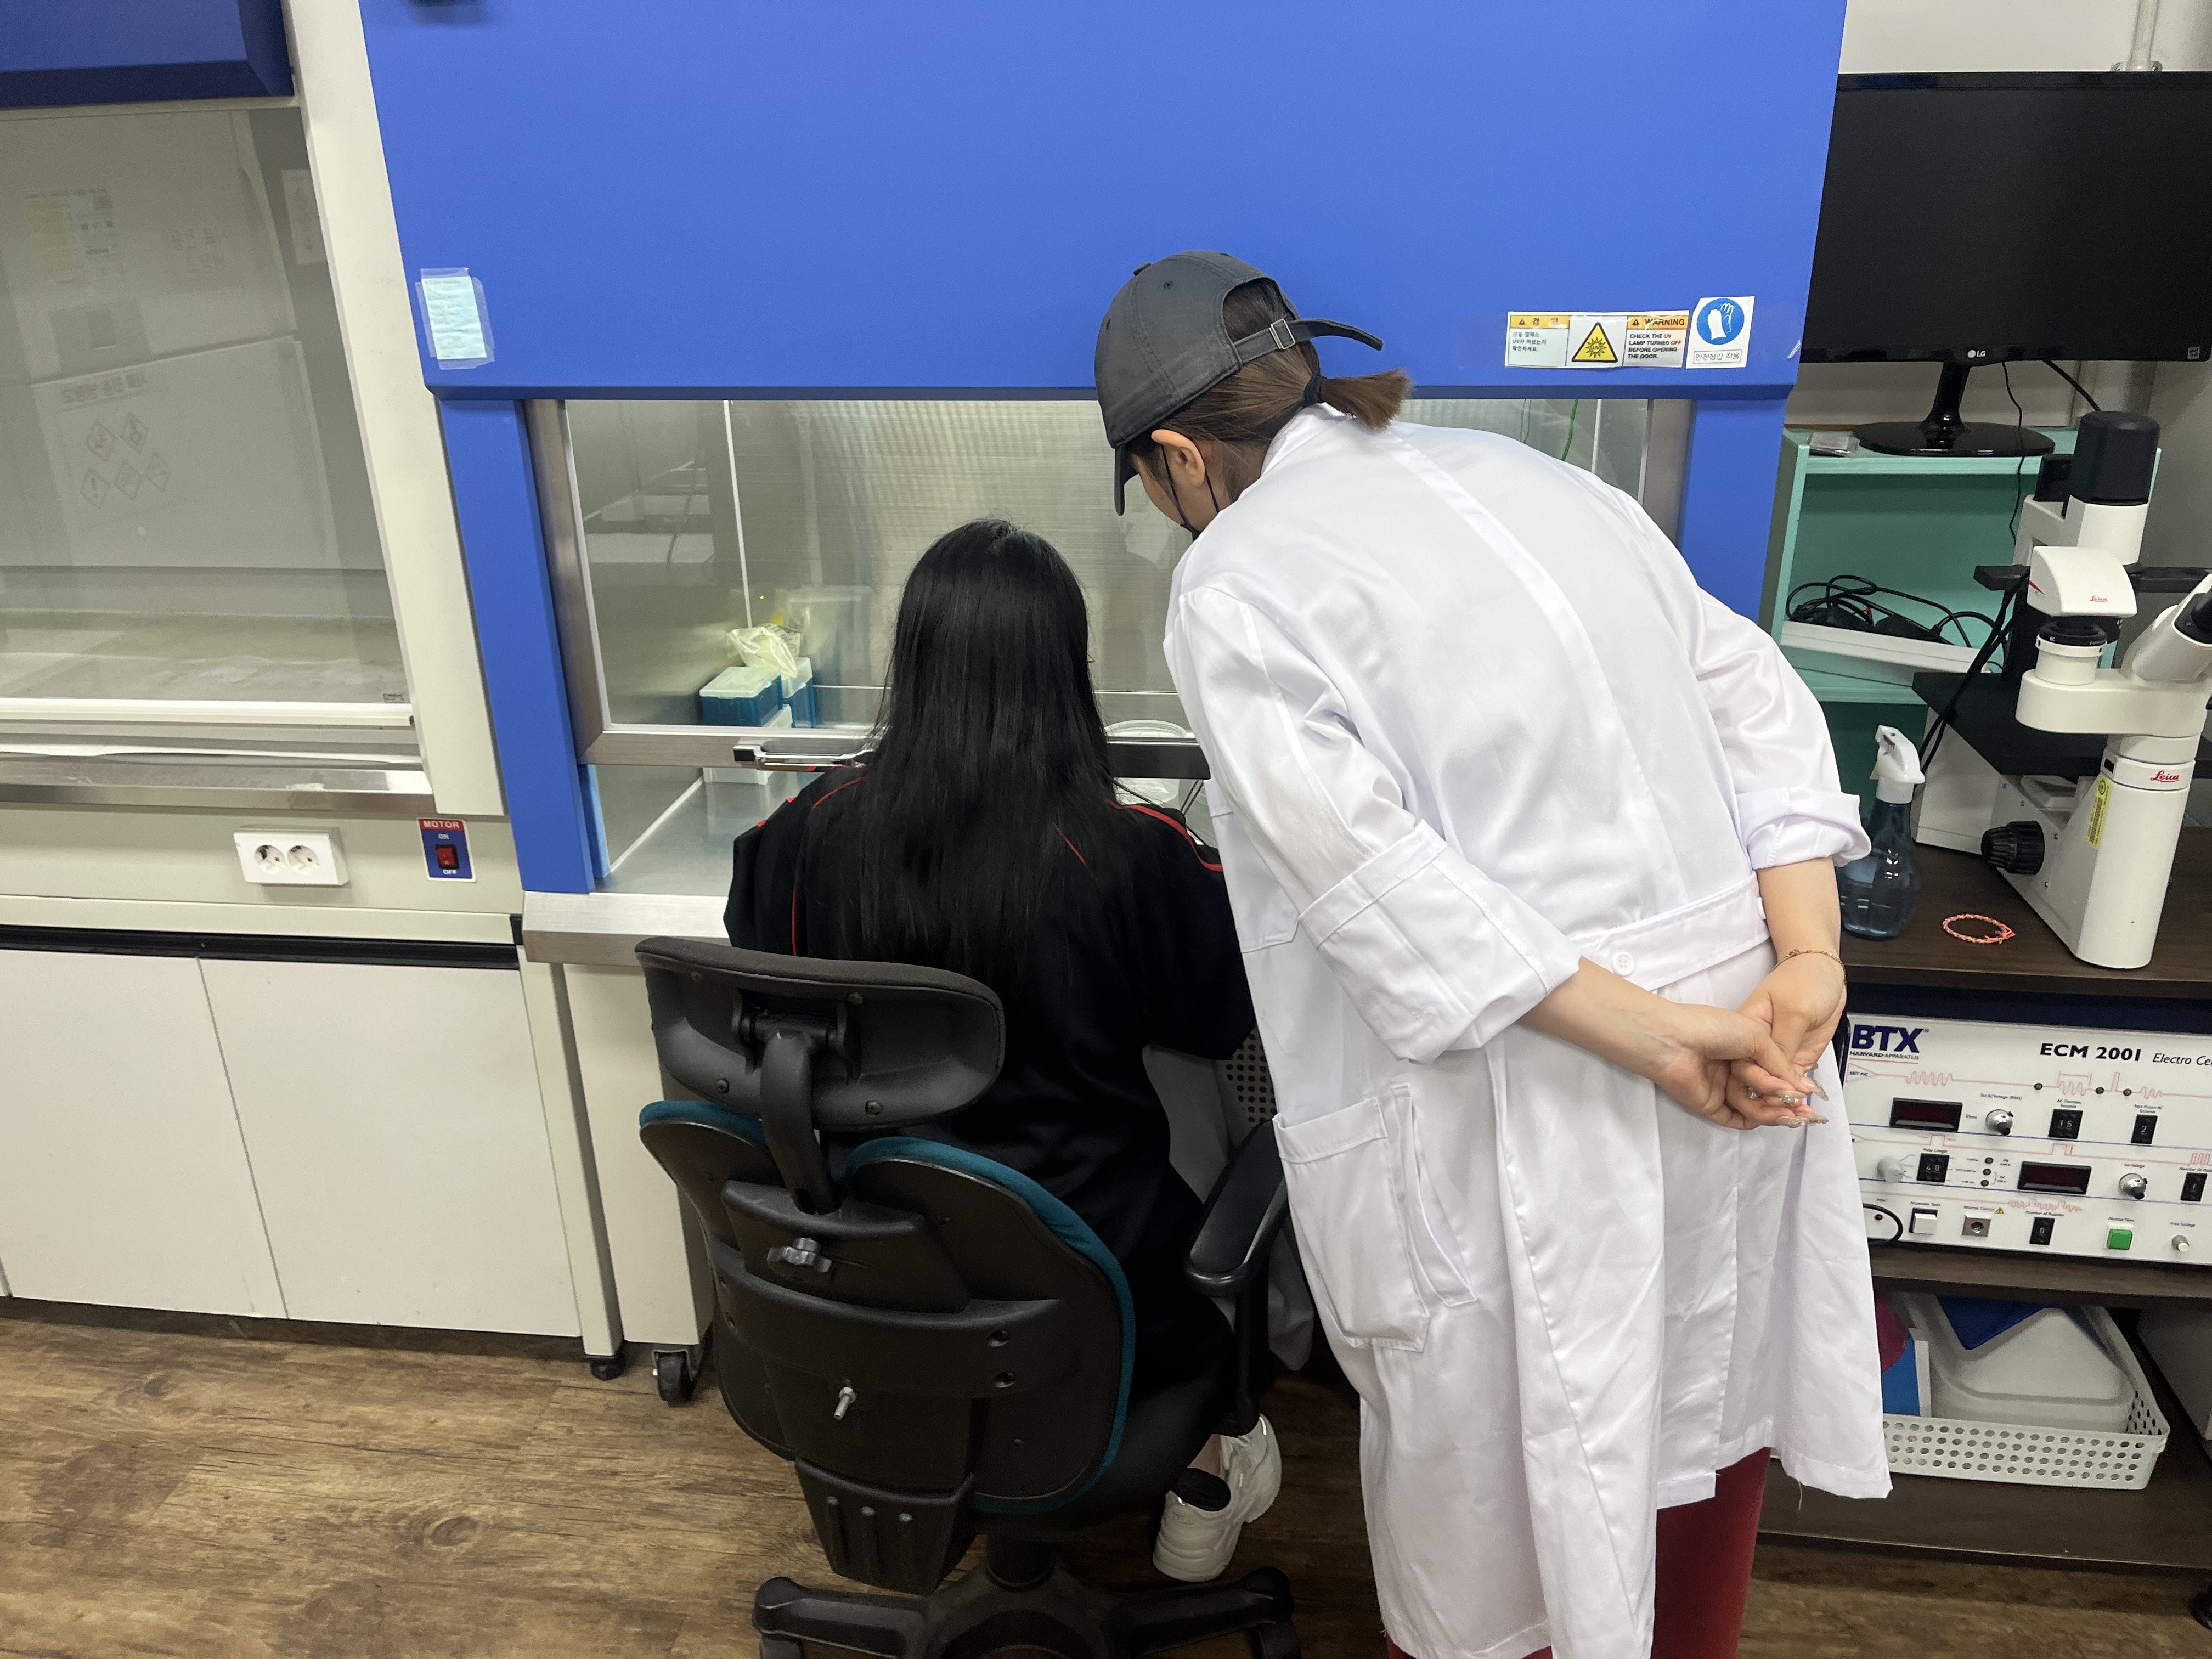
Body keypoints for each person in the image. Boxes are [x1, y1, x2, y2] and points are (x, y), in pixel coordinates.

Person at [1094, 252, 1888, 1659]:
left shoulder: (1233, 581)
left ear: (1177, 457)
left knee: (1517, 1507)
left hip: (1544, 1090)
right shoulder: (1541, 478)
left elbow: (1380, 882)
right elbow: (1759, 700)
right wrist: (1810, 957)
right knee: (1702, 1429)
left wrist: (1660, 1040)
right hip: (1751, 1030)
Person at [723, 516, 1282, 1582]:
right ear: (1067, 674)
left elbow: (754, 955)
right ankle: (1208, 1474)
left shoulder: (804, 833)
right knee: (1204, 1215)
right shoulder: (1129, 854)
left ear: (912, 664)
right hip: (1088, 1286)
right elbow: (1216, 1021)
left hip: (867, 1266)